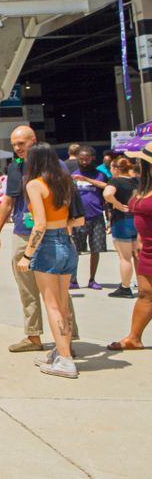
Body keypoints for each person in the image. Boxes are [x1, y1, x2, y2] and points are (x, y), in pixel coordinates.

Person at [0, 125, 79, 353]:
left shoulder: (57, 167)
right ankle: (33, 335)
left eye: (21, 143)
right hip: (22, 232)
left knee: (58, 293)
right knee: (26, 288)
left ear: (34, 141)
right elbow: (8, 201)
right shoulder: (15, 168)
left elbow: (69, 203)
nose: (17, 148)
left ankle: (66, 341)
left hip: (50, 235)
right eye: (14, 144)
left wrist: (65, 232)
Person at [16, 143, 79, 378]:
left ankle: (65, 359)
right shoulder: (63, 181)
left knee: (52, 305)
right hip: (66, 241)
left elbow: (39, 224)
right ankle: (63, 351)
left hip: (48, 245)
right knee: (62, 305)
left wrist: (27, 255)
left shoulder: (34, 184)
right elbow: (75, 217)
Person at [108, 144, 152, 351]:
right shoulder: (143, 185)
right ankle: (134, 338)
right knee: (145, 293)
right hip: (146, 248)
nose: (137, 165)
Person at [69, 145, 108, 290]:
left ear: (92, 158)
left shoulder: (100, 175)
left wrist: (85, 179)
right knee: (76, 250)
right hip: (78, 217)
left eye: (86, 159)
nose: (84, 162)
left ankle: (92, 279)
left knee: (95, 250)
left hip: (97, 216)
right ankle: (73, 279)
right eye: (81, 159)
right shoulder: (73, 174)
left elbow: (106, 187)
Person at [103, 155, 139, 298]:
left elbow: (107, 193)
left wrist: (117, 204)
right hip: (137, 219)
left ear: (116, 169)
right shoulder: (137, 180)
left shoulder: (115, 181)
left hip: (122, 221)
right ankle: (143, 285)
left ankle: (125, 287)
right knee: (138, 256)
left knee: (125, 258)